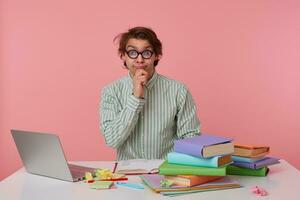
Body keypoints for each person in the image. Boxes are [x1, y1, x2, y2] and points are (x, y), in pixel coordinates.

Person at [100, 26, 200, 160]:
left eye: (146, 53)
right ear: (123, 55)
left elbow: (190, 138)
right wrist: (135, 98)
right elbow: (111, 140)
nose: (140, 60)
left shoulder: (178, 91)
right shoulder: (111, 91)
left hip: (166, 172)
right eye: (132, 53)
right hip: (126, 174)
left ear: (157, 55)